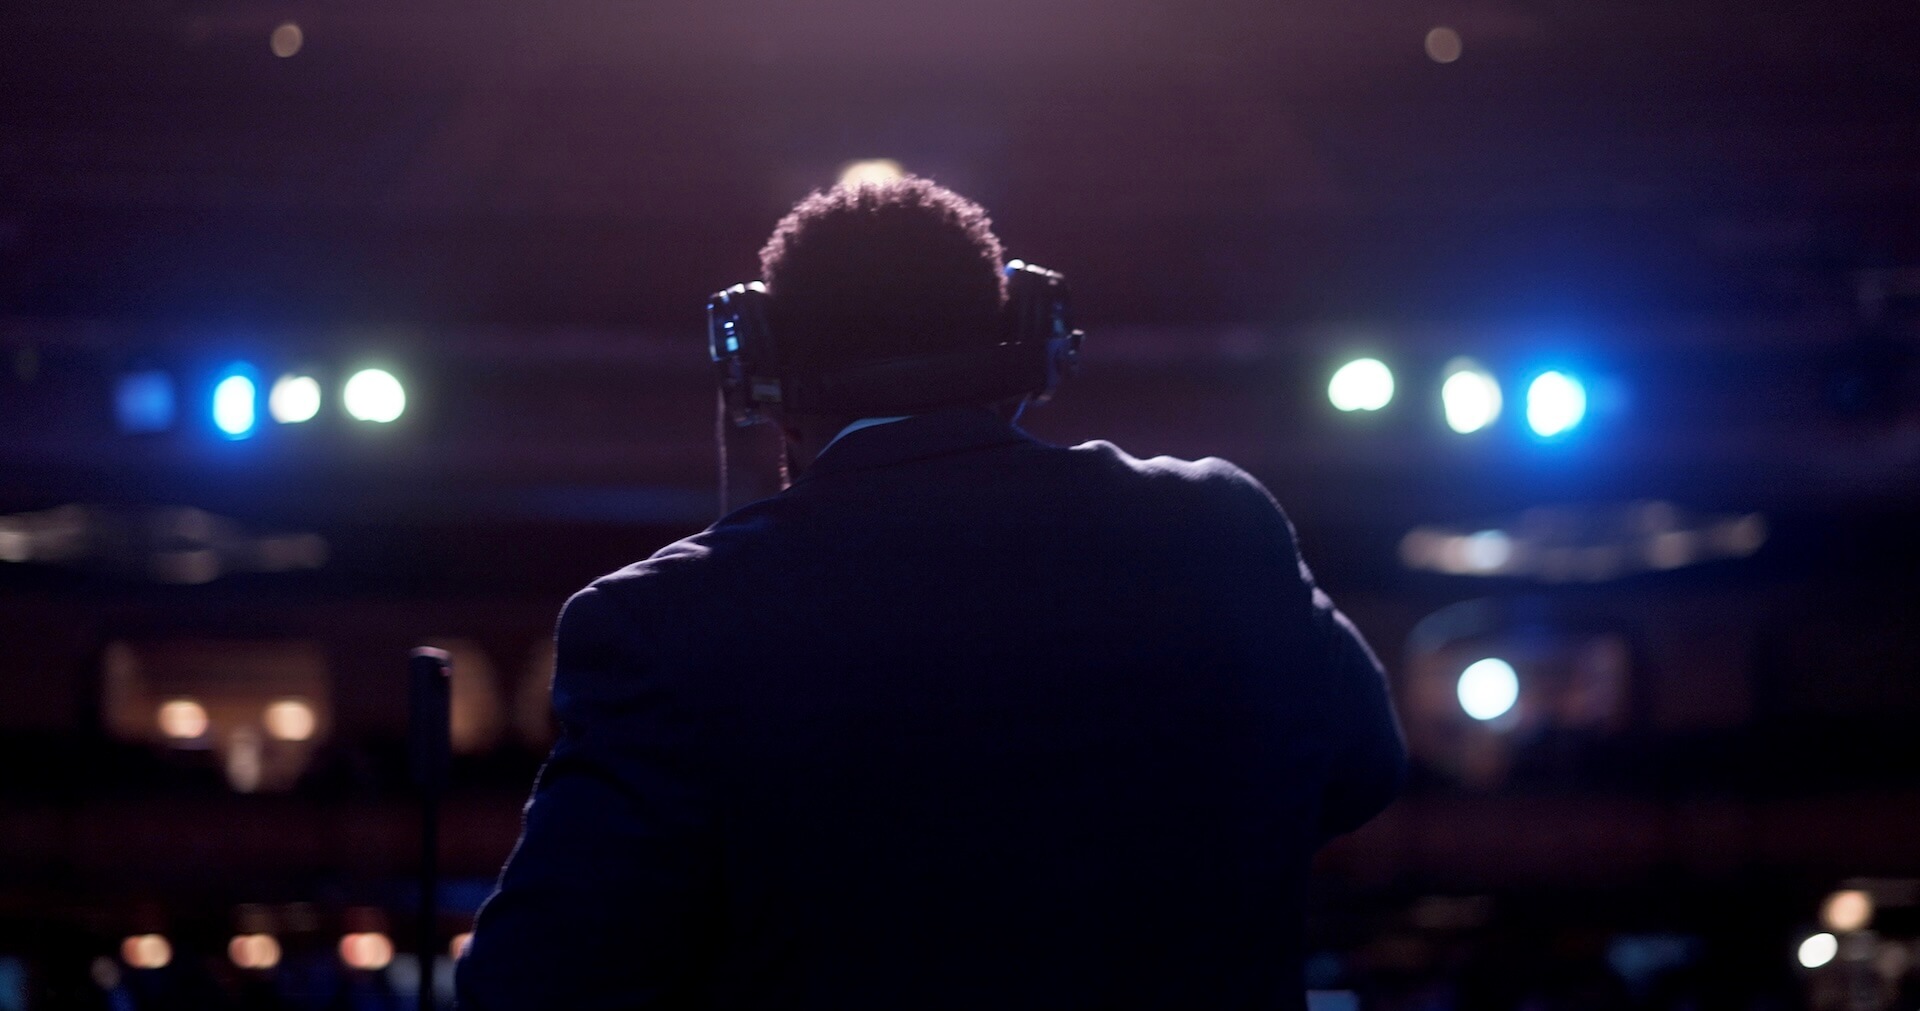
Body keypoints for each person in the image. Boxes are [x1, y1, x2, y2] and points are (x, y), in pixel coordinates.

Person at [455, 177, 1405, 1010]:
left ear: (760, 370)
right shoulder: (1219, 530)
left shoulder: (660, 624)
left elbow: (537, 982)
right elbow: (1364, 767)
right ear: (1029, 343)